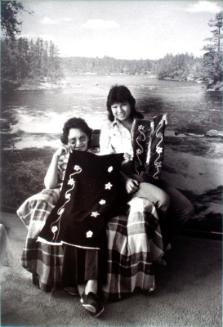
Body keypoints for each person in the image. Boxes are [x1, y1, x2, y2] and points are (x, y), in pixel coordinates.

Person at [19, 117, 124, 317]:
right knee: (69, 220)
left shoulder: (97, 156)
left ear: (88, 138)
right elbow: (50, 185)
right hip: (71, 200)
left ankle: (89, 285)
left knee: (93, 220)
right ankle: (83, 284)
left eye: (82, 139)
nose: (78, 144)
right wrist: (55, 158)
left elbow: (108, 183)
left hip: (92, 201)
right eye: (72, 140)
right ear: (66, 141)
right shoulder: (65, 158)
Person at [100, 85, 194, 243]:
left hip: (149, 176)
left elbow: (154, 149)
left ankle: (161, 244)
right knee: (163, 200)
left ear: (131, 103)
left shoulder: (143, 125)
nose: (119, 110)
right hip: (127, 180)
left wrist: (161, 126)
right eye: (114, 106)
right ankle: (156, 247)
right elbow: (106, 163)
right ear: (110, 108)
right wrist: (125, 180)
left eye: (123, 104)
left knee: (186, 208)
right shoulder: (108, 128)